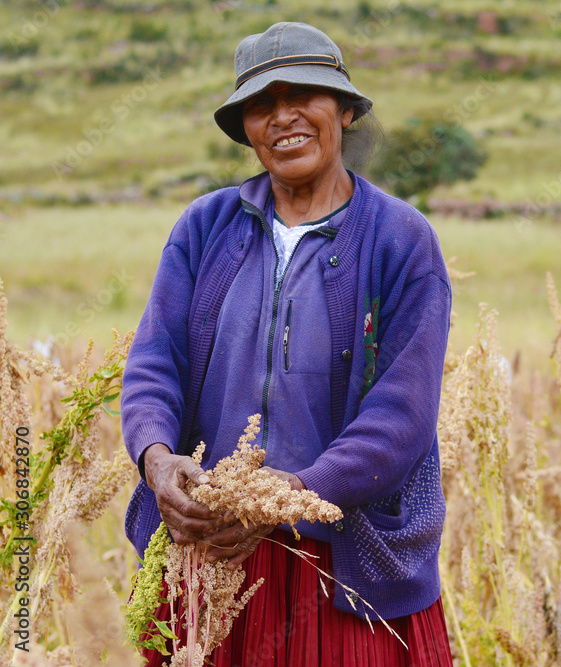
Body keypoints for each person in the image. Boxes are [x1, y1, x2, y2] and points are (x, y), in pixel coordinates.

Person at [121, 21, 454, 666]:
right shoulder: (204, 227)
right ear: (244, 126)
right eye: (261, 105)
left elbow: (401, 418)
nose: (284, 117)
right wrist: (159, 463)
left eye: (305, 94)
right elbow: (153, 365)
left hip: (343, 570)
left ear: (346, 110)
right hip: (211, 557)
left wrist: (279, 500)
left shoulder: (401, 243)